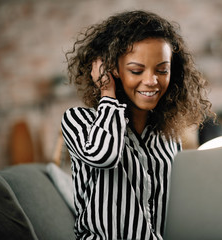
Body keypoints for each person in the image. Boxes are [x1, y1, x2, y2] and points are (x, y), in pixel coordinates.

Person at [61, 10, 213, 240]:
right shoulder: (77, 121)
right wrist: (107, 91)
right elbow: (104, 156)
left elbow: (176, 213)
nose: (152, 81)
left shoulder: (169, 137)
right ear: (112, 69)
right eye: (136, 70)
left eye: (162, 70)